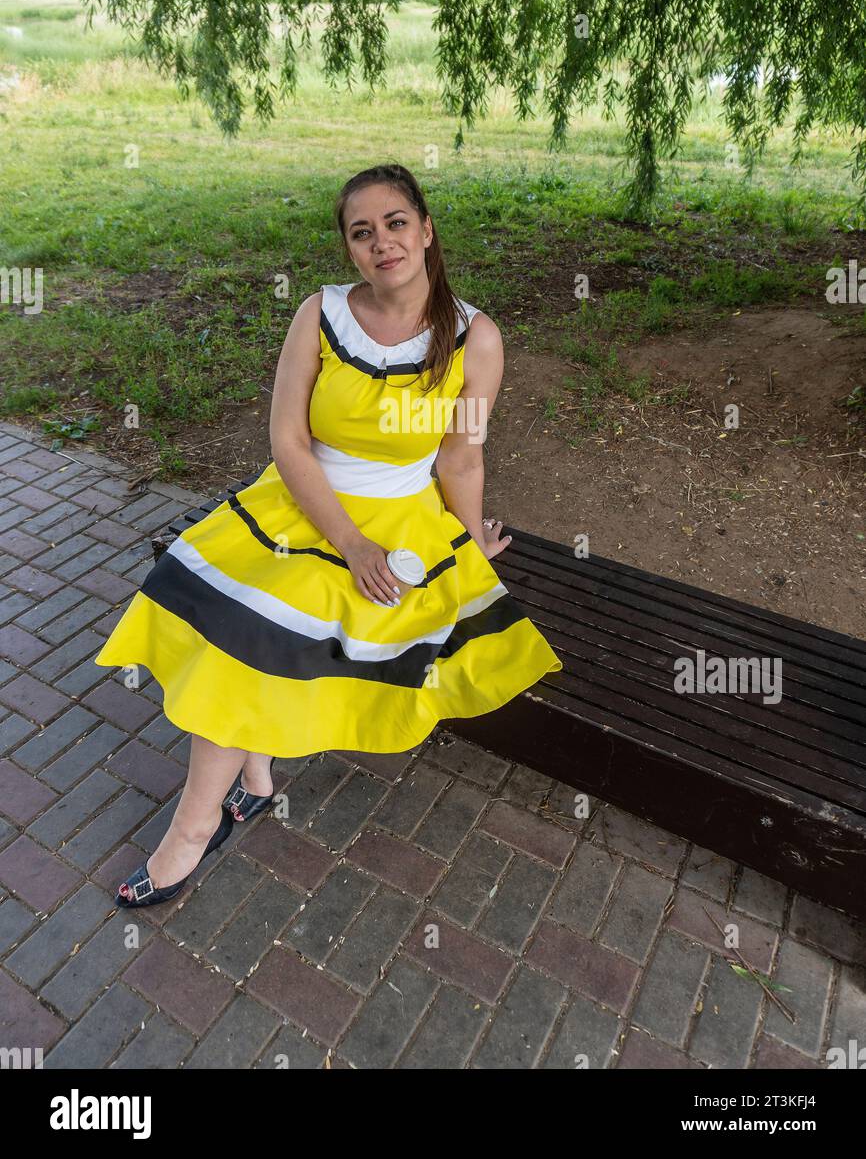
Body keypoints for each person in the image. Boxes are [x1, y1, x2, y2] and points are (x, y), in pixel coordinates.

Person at [94, 162, 563, 908]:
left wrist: (469, 544)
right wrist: (349, 542)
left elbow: (460, 454)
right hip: (305, 503)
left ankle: (205, 817)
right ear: (349, 249)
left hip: (403, 517)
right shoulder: (319, 314)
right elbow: (288, 440)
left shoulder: (477, 339)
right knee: (230, 621)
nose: (383, 243)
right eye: (362, 232)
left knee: (253, 642)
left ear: (427, 229)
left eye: (396, 223)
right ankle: (236, 790)